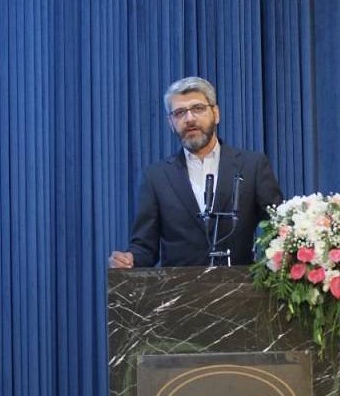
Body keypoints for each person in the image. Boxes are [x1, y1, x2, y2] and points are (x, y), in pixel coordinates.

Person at [109, 76, 283, 268]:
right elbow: (144, 247)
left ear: (216, 113)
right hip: (179, 287)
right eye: (179, 113)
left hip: (240, 284)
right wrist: (128, 260)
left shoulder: (252, 166)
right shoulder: (155, 177)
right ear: (170, 122)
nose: (189, 119)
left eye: (198, 108)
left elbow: (277, 228)